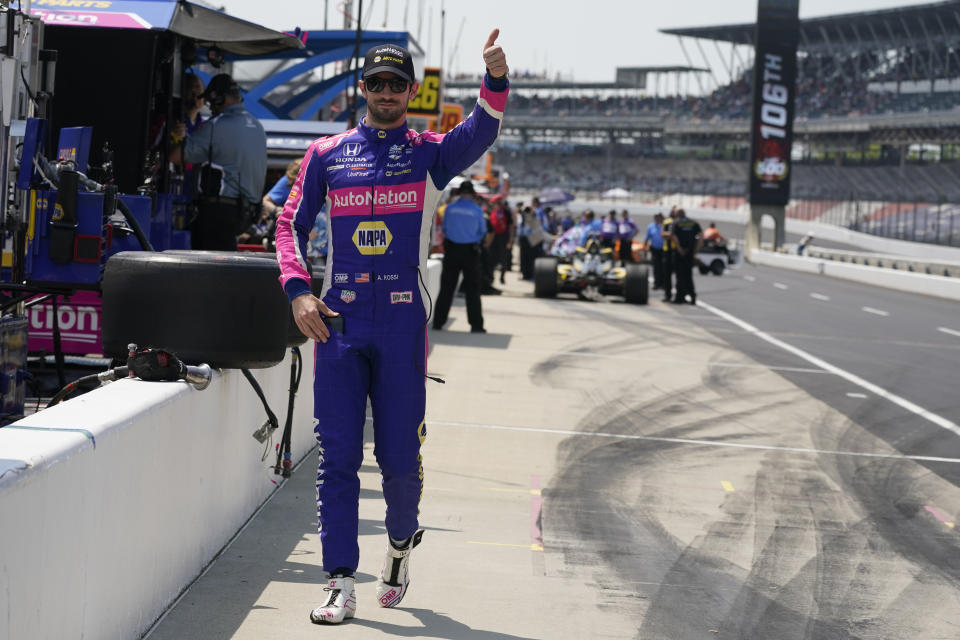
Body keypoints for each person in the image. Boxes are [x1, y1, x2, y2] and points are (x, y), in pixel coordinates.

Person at [274, 32, 509, 624]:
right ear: (364, 88)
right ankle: (339, 581)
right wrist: (300, 292)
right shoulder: (326, 154)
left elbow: (482, 130)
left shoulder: (431, 153)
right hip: (340, 325)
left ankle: (401, 544)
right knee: (337, 457)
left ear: (411, 91)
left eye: (396, 84)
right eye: (376, 83)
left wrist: (495, 80)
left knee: (400, 459)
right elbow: (287, 227)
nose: (385, 92)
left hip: (403, 323)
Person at [173, 73, 266, 250]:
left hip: (218, 213)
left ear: (218, 99)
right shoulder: (257, 126)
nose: (211, 108)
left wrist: (177, 137)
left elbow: (176, 157)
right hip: (247, 213)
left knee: (205, 271)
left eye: (210, 103)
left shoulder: (216, 125)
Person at [433, 181, 490, 331]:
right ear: (472, 194)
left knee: (446, 288)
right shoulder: (477, 210)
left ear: (459, 193)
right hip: (471, 251)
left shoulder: (449, 209)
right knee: (473, 290)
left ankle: (438, 322)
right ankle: (476, 325)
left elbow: (444, 228)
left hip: (452, 250)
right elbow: (482, 231)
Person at [668, 208, 703, 304]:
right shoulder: (693, 223)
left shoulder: (675, 223)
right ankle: (692, 296)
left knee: (680, 275)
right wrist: (696, 250)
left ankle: (680, 297)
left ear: (678, 214)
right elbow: (701, 236)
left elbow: (673, 236)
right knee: (688, 275)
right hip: (690, 252)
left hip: (680, 253)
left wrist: (679, 248)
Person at [644, 213, 665, 289]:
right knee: (656, 267)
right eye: (656, 218)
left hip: (663, 249)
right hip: (655, 249)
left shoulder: (664, 225)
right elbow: (647, 237)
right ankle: (657, 283)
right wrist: (645, 248)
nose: (658, 219)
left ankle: (663, 284)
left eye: (659, 218)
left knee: (663, 267)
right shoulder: (651, 226)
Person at [661, 207, 677, 302]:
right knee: (667, 274)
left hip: (678, 251)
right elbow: (663, 234)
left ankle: (680, 295)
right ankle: (668, 295)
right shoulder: (667, 221)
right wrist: (671, 234)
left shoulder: (680, 222)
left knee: (680, 274)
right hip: (668, 250)